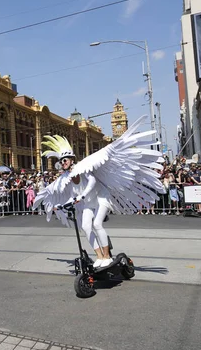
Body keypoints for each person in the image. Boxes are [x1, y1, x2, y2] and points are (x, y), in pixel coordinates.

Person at [34, 115, 164, 268]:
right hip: (89, 203)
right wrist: (59, 206)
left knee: (96, 224)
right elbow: (69, 196)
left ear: (71, 159)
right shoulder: (65, 179)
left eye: (65, 160)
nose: (63, 163)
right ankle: (100, 256)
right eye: (61, 162)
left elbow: (92, 182)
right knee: (86, 227)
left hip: (101, 198)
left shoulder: (82, 168)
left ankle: (107, 255)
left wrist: (81, 196)